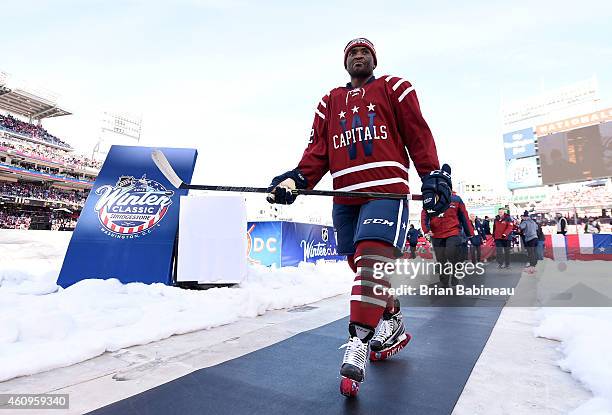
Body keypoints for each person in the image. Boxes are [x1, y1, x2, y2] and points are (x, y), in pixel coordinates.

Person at [266, 38, 451, 397]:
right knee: (361, 265)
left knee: (370, 264)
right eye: (352, 52)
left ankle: (358, 344)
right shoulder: (329, 102)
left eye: (365, 51)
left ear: (374, 60)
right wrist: (296, 179)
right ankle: (392, 319)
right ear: (345, 62)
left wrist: (431, 174)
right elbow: (317, 153)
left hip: (386, 190)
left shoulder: (394, 87)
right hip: (345, 197)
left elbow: (417, 133)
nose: (359, 55)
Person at [421, 187, 474, 288]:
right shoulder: (430, 199)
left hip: (453, 232)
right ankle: (444, 281)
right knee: (441, 260)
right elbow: (424, 215)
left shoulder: (456, 199)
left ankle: (455, 275)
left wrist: (470, 233)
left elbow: (464, 216)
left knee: (451, 253)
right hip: (436, 234)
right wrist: (426, 230)